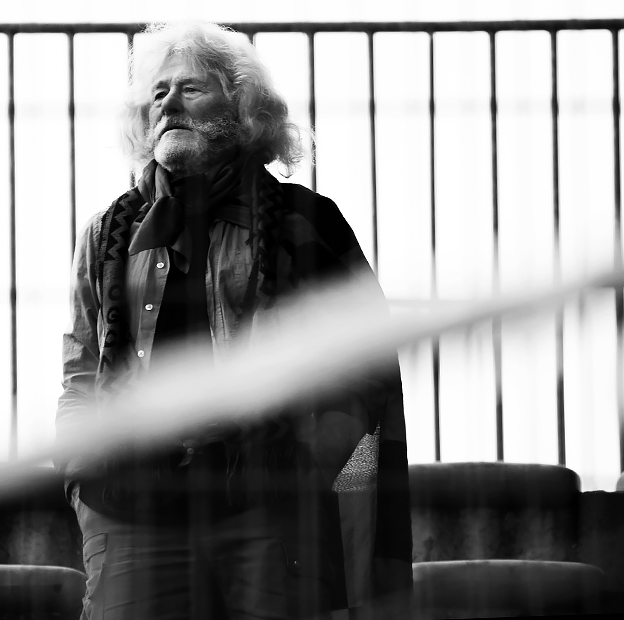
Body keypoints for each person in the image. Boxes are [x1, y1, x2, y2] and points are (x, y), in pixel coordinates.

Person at [57, 22, 411, 620]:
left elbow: (363, 368)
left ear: (243, 109)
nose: (168, 103)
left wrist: (304, 467)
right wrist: (84, 481)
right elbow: (80, 375)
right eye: (158, 93)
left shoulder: (308, 222)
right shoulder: (107, 233)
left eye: (191, 88)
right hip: (130, 513)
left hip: (269, 509)